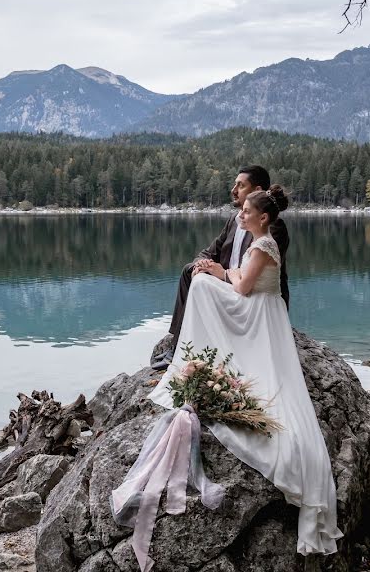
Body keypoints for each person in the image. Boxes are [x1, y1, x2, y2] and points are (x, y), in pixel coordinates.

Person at [148, 185, 343, 556]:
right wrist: (221, 270)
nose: (240, 215)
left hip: (257, 314)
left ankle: (202, 352)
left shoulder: (265, 243)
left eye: (246, 211)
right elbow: (241, 275)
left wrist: (220, 272)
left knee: (204, 287)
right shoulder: (262, 242)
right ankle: (203, 350)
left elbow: (242, 288)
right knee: (204, 281)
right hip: (260, 309)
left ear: (263, 217)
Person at [152, 165, 289, 372]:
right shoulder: (234, 222)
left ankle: (184, 349)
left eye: (240, 186)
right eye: (235, 184)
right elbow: (211, 251)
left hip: (253, 295)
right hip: (233, 282)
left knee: (199, 282)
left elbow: (252, 279)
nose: (233, 190)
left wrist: (221, 274)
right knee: (191, 271)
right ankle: (178, 343)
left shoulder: (272, 227)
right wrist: (203, 264)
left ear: (256, 190)